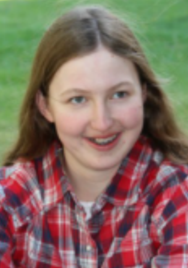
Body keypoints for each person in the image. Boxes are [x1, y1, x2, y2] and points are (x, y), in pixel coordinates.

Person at [1, 5, 188, 268]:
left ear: (143, 93)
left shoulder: (177, 197)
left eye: (119, 94)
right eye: (78, 99)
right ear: (45, 106)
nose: (102, 122)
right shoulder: (9, 200)